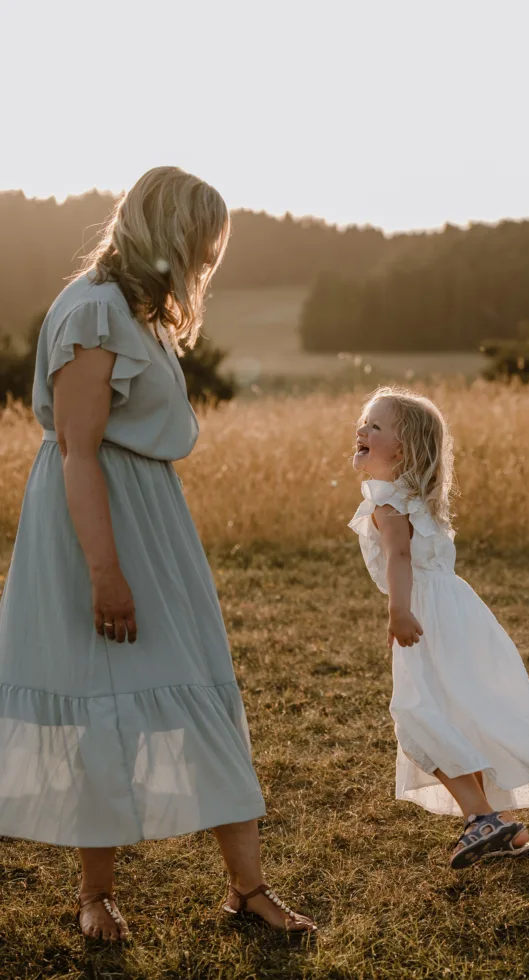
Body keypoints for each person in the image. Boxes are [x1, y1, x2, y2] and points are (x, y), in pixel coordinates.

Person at [0, 166, 316, 939]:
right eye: (203, 241)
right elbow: (78, 453)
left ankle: (248, 889)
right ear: (170, 234)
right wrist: (106, 575)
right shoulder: (96, 311)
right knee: (95, 698)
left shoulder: (137, 313)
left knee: (201, 685)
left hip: (151, 517)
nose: (209, 257)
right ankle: (95, 895)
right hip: (94, 528)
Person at [349, 385, 529, 868]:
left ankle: (480, 818)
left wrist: (399, 610)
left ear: (403, 449)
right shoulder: (416, 499)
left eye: (375, 426)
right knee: (454, 713)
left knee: (418, 716)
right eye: (364, 421)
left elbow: (397, 557)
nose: (361, 430)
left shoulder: (389, 504)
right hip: (458, 613)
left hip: (425, 614)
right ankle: (497, 824)